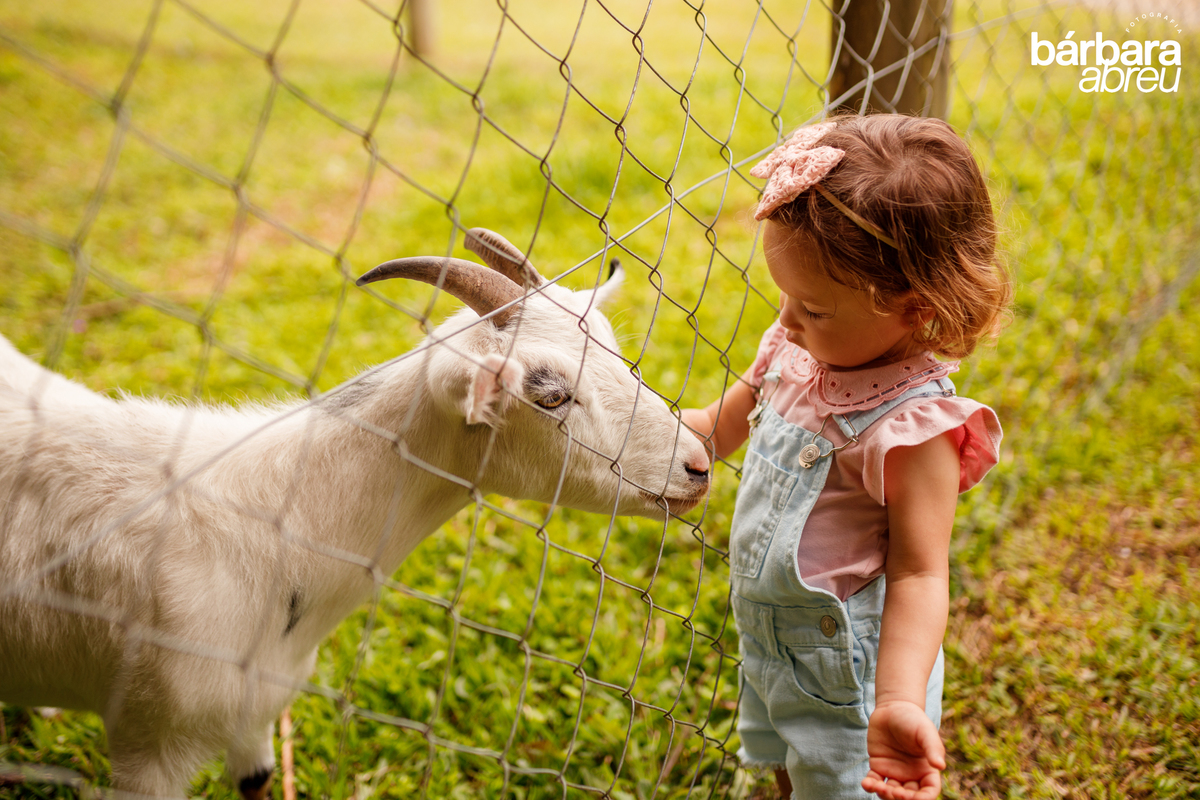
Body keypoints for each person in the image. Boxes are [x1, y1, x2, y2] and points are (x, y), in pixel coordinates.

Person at [682, 114, 1011, 800]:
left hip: (849, 676)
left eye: (812, 307)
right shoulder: (795, 342)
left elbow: (920, 573)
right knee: (785, 766)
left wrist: (896, 700)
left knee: (839, 786)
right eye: (786, 298)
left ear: (914, 309)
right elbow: (716, 428)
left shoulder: (914, 429)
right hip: (772, 646)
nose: (787, 321)